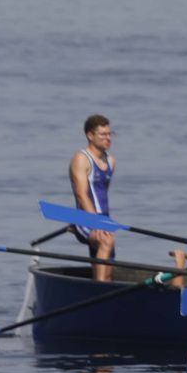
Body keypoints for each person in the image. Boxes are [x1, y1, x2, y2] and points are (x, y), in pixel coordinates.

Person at [69, 114, 115, 281]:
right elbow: (81, 195)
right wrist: (95, 222)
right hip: (85, 218)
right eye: (103, 134)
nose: (108, 138)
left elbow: (103, 193)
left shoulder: (111, 161)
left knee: (109, 272)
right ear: (90, 135)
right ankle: (99, 289)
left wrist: (104, 222)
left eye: (110, 134)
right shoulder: (81, 159)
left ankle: (102, 286)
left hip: (105, 220)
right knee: (106, 242)